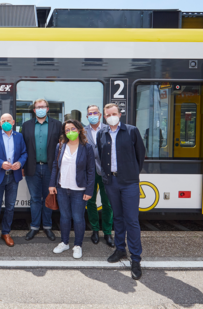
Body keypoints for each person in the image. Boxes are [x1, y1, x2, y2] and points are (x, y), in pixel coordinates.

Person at [96, 103, 145, 280]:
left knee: (131, 219)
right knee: (117, 217)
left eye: (114, 113)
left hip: (129, 182)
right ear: (104, 117)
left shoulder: (132, 131)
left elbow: (141, 154)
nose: (111, 117)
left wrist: (131, 172)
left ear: (120, 114)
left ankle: (136, 259)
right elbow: (101, 156)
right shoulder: (102, 133)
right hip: (111, 182)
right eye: (108, 115)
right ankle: (120, 250)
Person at [49, 120, 95, 259]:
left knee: (78, 218)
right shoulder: (61, 146)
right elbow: (55, 166)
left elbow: (91, 171)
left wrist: (89, 191)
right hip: (62, 187)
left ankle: (77, 245)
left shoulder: (87, 147)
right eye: (67, 130)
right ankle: (64, 242)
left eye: (73, 129)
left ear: (79, 130)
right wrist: (52, 184)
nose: (70, 132)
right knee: (64, 217)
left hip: (79, 189)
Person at [0, 113, 28, 251]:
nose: (6, 122)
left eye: (8, 120)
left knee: (10, 207)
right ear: (0, 122)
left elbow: (24, 153)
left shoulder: (19, 136)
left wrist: (20, 163)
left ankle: (6, 233)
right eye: (3, 120)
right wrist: (0, 163)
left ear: (13, 122)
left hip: (13, 177)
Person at [21, 98, 62, 241]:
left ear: (47, 109)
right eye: (38, 107)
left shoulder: (57, 125)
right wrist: (22, 166)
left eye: (43, 106)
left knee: (49, 197)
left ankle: (48, 227)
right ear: (34, 110)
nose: (40, 108)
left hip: (51, 168)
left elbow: (61, 147)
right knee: (35, 199)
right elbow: (22, 147)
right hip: (32, 168)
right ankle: (34, 227)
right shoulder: (26, 126)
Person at [84, 105, 114, 247]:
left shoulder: (108, 129)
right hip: (89, 172)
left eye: (95, 112)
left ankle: (107, 232)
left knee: (107, 203)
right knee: (90, 202)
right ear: (87, 116)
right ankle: (95, 230)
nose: (93, 115)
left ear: (100, 115)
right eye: (90, 113)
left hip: (106, 172)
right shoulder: (82, 131)